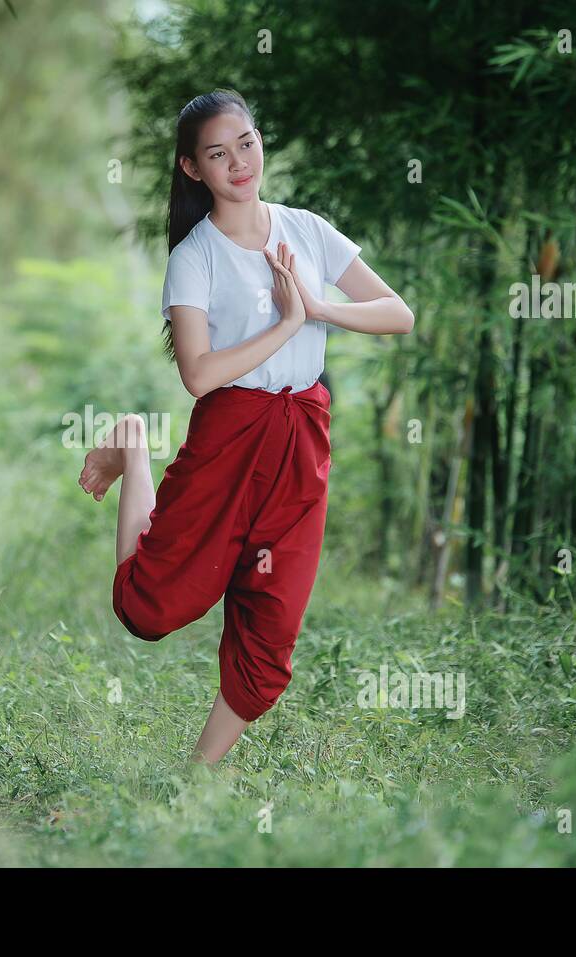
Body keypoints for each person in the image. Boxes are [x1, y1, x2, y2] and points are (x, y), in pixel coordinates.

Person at [78, 89, 414, 764]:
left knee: (274, 623)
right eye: (217, 153)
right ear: (192, 168)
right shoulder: (195, 256)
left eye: (247, 144)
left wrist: (317, 306)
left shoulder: (309, 231)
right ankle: (133, 449)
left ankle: (195, 779)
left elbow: (396, 312)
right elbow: (199, 374)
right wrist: (290, 324)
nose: (238, 162)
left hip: (302, 436)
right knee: (150, 607)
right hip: (229, 432)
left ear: (261, 143)